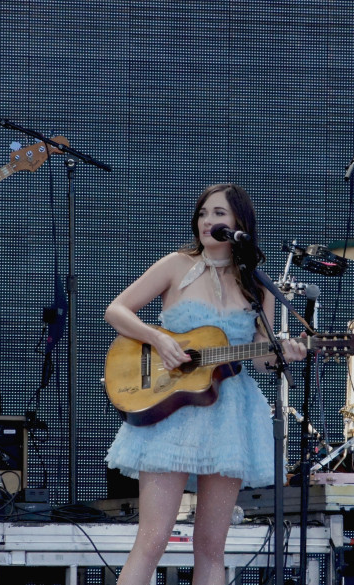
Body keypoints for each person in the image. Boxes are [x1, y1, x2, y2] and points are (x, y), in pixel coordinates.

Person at [105, 183, 306, 585]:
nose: (207, 222)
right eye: (202, 214)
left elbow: (263, 358)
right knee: (153, 538)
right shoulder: (177, 264)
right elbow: (116, 310)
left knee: (212, 547)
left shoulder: (257, 283)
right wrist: (158, 339)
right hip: (170, 409)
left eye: (218, 214)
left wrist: (287, 351)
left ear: (238, 224)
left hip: (229, 413)